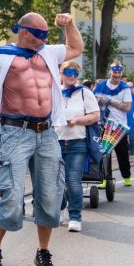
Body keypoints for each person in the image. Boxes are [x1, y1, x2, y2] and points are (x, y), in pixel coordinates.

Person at [0, 11, 83, 266]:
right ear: (24, 31)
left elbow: (76, 47)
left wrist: (70, 24)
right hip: (16, 132)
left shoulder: (49, 53)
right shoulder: (0, 55)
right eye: (39, 35)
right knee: (13, 195)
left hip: (47, 133)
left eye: (46, 36)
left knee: (51, 195)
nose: (43, 40)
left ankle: (43, 251)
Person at [55, 61, 99, 232]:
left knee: (73, 180)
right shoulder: (55, 92)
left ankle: (75, 217)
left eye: (75, 73)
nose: (71, 76)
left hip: (78, 143)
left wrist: (77, 120)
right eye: (68, 72)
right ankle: (59, 209)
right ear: (61, 73)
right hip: (56, 142)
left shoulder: (84, 93)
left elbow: (95, 115)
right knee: (57, 181)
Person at [93, 61, 134, 187]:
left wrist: (109, 101)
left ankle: (126, 176)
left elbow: (127, 108)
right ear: (109, 72)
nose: (116, 74)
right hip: (104, 124)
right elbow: (94, 102)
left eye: (119, 72)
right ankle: (105, 178)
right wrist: (99, 101)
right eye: (114, 72)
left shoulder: (125, 88)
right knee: (104, 153)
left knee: (122, 153)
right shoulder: (100, 86)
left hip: (119, 126)